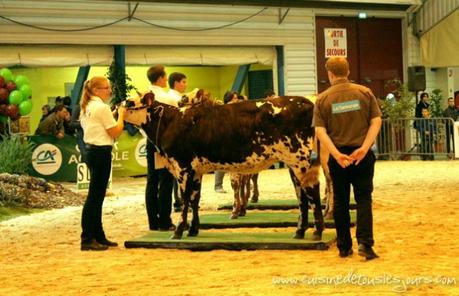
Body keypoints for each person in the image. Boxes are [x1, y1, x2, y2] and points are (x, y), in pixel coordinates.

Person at [313, 56, 382, 260]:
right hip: (362, 157)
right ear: (348, 71)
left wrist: (335, 154)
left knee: (340, 201)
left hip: (339, 157)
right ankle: (365, 244)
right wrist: (364, 148)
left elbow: (320, 131)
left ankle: (344, 246)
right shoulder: (365, 93)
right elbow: (376, 122)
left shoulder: (323, 99)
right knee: (363, 199)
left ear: (330, 74)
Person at [79, 76, 126, 251]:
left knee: (97, 196)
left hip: (91, 151)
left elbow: (100, 125)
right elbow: (115, 132)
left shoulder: (87, 107)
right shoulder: (101, 107)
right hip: (100, 152)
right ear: (96, 90)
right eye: (106, 88)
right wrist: (121, 115)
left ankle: (98, 235)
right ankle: (87, 238)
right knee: (95, 197)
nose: (110, 91)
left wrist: (113, 115)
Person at [145, 65, 177, 231]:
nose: (166, 80)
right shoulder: (167, 98)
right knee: (166, 181)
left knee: (151, 180)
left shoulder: (143, 95)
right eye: (165, 77)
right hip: (165, 142)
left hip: (149, 142)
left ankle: (153, 222)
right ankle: (164, 221)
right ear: (160, 78)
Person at [168, 72, 187, 212]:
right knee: (178, 172)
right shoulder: (173, 98)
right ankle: (178, 202)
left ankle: (181, 201)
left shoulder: (178, 97)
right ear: (176, 83)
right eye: (184, 82)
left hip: (182, 138)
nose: (185, 85)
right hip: (178, 139)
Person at [214, 91, 239, 193]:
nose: (236, 101)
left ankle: (242, 183)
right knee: (221, 163)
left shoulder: (238, 110)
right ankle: (218, 185)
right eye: (233, 99)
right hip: (223, 140)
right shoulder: (221, 111)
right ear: (228, 100)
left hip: (235, 139)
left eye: (236, 98)